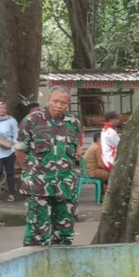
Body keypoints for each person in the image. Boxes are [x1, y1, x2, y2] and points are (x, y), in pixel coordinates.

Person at [16, 86, 82, 247]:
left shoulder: (73, 123)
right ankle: (35, 267)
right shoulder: (31, 121)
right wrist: (31, 172)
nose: (59, 105)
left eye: (63, 102)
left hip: (65, 186)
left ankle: (61, 267)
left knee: (65, 232)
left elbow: (75, 153)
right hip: (38, 187)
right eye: (55, 101)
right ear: (48, 100)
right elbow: (20, 150)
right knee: (38, 233)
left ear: (68, 104)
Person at [0, 101, 19, 203]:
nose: (2, 110)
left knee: (10, 172)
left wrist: (15, 147)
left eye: (4, 108)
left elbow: (16, 134)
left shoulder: (11, 121)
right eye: (0, 108)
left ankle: (11, 194)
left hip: (9, 150)